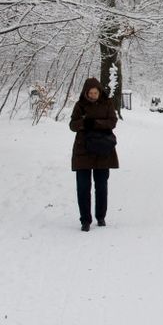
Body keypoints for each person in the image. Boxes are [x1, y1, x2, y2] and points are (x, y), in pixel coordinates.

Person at [69, 77, 119, 231]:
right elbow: (72, 125)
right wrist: (84, 123)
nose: (93, 95)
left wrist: (96, 123)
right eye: (90, 93)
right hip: (83, 150)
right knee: (83, 187)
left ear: (99, 91)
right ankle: (85, 220)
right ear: (86, 93)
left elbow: (113, 122)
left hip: (103, 149)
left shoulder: (107, 103)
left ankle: (101, 216)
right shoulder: (80, 105)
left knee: (101, 185)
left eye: (95, 92)